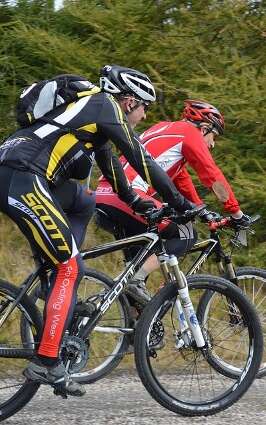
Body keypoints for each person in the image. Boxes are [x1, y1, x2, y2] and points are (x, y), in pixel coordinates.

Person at [0, 65, 194, 396]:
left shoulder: (94, 122)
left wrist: (141, 203)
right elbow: (141, 159)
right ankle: (47, 362)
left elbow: (117, 175)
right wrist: (180, 202)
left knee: (83, 201)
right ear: (130, 101)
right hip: (22, 177)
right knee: (69, 266)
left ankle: (57, 289)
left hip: (19, 174)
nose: (144, 116)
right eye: (145, 107)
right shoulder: (104, 105)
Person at [96, 99, 251, 308]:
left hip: (104, 193)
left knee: (138, 277)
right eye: (214, 136)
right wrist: (236, 214)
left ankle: (133, 332)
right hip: (128, 195)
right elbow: (213, 177)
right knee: (186, 233)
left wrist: (201, 211)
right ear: (204, 128)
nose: (212, 144)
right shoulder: (188, 133)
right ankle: (136, 280)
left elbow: (180, 183)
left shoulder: (163, 129)